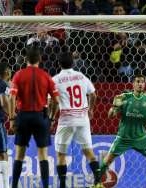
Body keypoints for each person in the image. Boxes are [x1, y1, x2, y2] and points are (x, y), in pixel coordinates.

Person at [10, 41, 60, 188]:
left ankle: (14, 186)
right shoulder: (46, 76)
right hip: (40, 117)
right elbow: (56, 101)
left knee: (19, 155)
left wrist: (12, 117)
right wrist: (51, 118)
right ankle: (45, 186)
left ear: (26, 59)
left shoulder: (18, 75)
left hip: (23, 116)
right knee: (43, 155)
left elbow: (11, 97)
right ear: (40, 59)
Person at [99, 74, 146, 188]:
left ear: (145, 84)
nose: (140, 84)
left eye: (142, 82)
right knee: (106, 162)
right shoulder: (124, 97)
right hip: (123, 138)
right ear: (133, 84)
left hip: (141, 138)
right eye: (138, 81)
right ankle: (96, 185)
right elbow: (110, 116)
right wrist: (113, 106)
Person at [50, 52, 101, 188]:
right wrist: (90, 109)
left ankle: (62, 185)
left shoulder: (55, 80)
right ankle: (98, 182)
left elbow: (53, 102)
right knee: (88, 151)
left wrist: (51, 118)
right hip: (83, 119)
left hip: (66, 120)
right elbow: (93, 95)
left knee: (61, 154)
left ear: (58, 64)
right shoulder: (81, 76)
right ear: (73, 63)